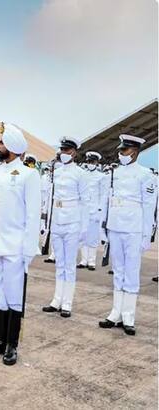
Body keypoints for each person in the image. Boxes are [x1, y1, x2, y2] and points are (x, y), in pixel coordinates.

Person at [0, 123, 41, 366]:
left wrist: (29, 249)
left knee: (14, 295)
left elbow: (33, 216)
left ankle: (12, 344)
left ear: (12, 147)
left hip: (16, 245)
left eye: (1, 143)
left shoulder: (28, 175)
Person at [98, 135, 155, 336]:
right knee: (118, 271)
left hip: (133, 228)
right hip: (115, 226)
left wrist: (146, 235)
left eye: (125, 150)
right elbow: (106, 201)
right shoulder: (114, 172)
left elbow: (149, 206)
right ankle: (115, 313)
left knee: (131, 272)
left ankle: (128, 315)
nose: (121, 154)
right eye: (121, 150)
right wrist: (103, 227)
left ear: (135, 152)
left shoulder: (145, 175)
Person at [42, 137, 88, 318]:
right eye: (62, 150)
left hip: (72, 222)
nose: (64, 153)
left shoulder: (80, 174)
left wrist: (83, 228)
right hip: (57, 220)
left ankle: (67, 303)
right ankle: (56, 300)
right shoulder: (57, 171)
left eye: (67, 151)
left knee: (69, 265)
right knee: (59, 264)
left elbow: (85, 202)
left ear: (74, 152)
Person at [77, 151, 107, 271]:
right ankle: (83, 260)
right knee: (83, 236)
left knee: (93, 237)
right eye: (89, 161)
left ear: (97, 162)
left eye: (92, 162)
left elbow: (103, 194)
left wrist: (100, 210)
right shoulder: (82, 175)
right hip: (83, 209)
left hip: (95, 210)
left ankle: (91, 261)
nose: (90, 163)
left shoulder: (101, 176)